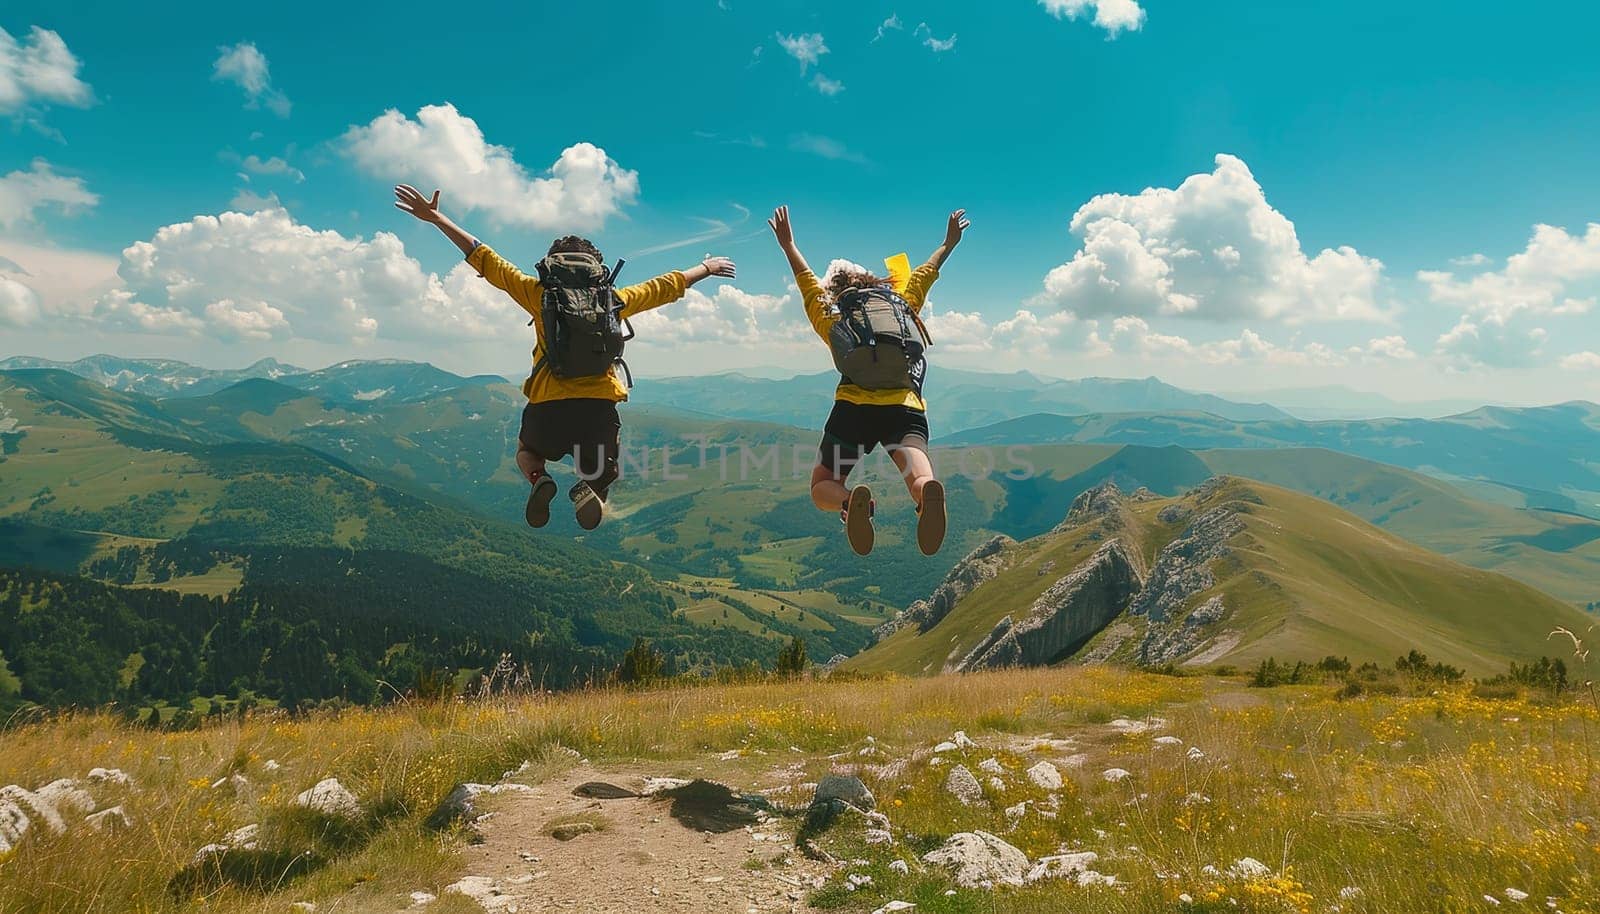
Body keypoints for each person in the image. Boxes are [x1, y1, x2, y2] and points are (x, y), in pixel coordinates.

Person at [394, 184, 736, 530]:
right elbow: (666, 285)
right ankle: (591, 487)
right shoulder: (614, 298)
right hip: (598, 405)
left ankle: (539, 477)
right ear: (596, 268)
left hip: (548, 403)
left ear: (551, 265)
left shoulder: (537, 293)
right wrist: (705, 268)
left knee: (527, 451)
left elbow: (486, 258)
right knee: (604, 470)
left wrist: (437, 218)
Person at [766, 204, 969, 556]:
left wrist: (788, 245)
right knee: (919, 476)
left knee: (823, 485)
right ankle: (926, 492)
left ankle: (848, 501)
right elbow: (925, 273)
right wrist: (948, 243)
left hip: (853, 412)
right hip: (904, 408)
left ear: (837, 294)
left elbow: (806, 282)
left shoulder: (832, 319)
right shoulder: (901, 305)